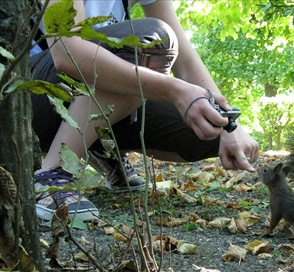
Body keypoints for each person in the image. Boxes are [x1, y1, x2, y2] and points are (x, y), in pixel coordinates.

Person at [31, 0, 259, 221]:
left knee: (210, 131)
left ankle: (101, 147)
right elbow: (69, 53)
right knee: (154, 39)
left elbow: (186, 62)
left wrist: (227, 121)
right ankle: (51, 175)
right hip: (30, 91)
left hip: (88, 92)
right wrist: (175, 91)